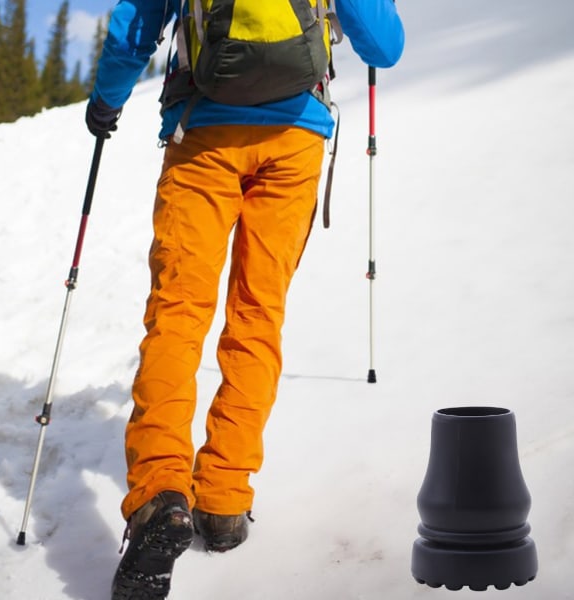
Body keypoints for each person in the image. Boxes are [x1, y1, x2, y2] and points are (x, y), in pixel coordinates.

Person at [86, 1, 404, 598]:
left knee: (178, 314)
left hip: (203, 130)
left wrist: (107, 98)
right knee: (257, 318)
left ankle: (161, 497)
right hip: (295, 140)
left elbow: (137, 23)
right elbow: (384, 47)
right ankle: (225, 500)